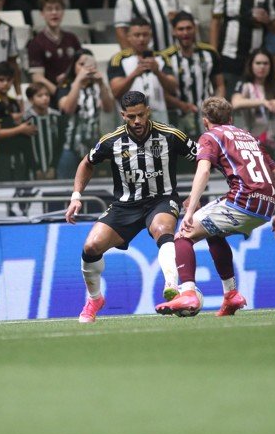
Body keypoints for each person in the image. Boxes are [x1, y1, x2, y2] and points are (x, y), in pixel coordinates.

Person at [64, 90, 199, 323]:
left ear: (148, 111)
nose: (137, 121)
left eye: (141, 115)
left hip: (161, 199)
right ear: (123, 115)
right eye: (131, 117)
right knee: (91, 246)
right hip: (125, 205)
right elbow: (87, 163)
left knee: (163, 229)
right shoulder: (111, 141)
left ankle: (172, 286)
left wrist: (194, 197)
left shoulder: (170, 135)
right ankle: (95, 299)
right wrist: (76, 196)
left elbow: (203, 159)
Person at [155, 96, 275, 317]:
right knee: (213, 232)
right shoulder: (250, 137)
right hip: (266, 207)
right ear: (230, 118)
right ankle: (231, 295)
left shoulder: (210, 136)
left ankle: (187, 293)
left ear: (205, 121)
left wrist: (189, 212)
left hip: (242, 201)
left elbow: (204, 171)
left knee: (183, 235)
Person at [211, 0, 273, 96]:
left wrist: (267, 21)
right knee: (228, 97)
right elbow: (215, 22)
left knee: (254, 97)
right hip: (229, 55)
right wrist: (213, 52)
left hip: (255, 58)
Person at [161, 11, 224, 138]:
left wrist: (216, 107)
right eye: (181, 29)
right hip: (177, 117)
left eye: (189, 28)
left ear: (195, 29)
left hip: (207, 117)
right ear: (174, 31)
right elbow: (164, 93)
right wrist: (183, 106)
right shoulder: (166, 57)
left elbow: (219, 85)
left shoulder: (210, 53)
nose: (185, 32)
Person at [55, 48, 114, 179]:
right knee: (67, 184)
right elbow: (67, 109)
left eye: (90, 64)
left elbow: (109, 108)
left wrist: (101, 83)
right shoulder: (65, 85)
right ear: (73, 65)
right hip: (70, 145)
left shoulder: (98, 86)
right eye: (81, 64)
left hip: (94, 146)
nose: (85, 68)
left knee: (94, 184)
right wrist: (78, 81)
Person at [108, 17, 178, 124]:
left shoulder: (162, 58)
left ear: (150, 36)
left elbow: (173, 88)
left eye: (145, 35)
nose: (141, 39)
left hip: (159, 118)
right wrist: (134, 74)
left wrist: (158, 72)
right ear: (128, 37)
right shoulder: (118, 60)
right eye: (137, 35)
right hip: (131, 119)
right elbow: (116, 92)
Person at [230, 50, 275, 167]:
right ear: (251, 65)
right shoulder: (245, 84)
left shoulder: (274, 83)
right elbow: (236, 103)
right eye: (258, 63)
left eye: (265, 63)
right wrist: (262, 102)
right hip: (252, 139)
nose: (262, 67)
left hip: (273, 137)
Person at [0, 61, 37, 182]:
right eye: (1, 80)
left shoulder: (13, 102)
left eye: (9, 80)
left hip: (15, 155)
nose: (5, 83)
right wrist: (21, 129)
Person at [26, 0, 82, 97]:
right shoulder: (36, 42)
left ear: (63, 12)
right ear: (42, 13)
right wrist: (59, 93)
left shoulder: (72, 38)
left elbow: (82, 66)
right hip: (51, 96)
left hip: (75, 91)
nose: (54, 12)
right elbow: (37, 78)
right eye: (49, 9)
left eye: (58, 8)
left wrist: (69, 79)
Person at [23, 82, 62, 180]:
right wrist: (36, 168)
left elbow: (60, 144)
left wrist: (53, 166)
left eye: (47, 95)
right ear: (31, 99)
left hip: (54, 168)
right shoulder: (26, 119)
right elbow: (26, 147)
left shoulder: (56, 117)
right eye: (39, 96)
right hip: (33, 170)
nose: (45, 98)